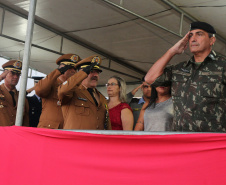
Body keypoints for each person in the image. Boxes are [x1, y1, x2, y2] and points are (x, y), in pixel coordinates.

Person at [145, 21, 226, 132]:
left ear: (212, 40)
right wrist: (172, 51)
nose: (193, 39)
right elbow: (150, 78)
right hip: (181, 140)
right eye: (191, 35)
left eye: (199, 34)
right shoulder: (180, 69)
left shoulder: (222, 66)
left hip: (210, 142)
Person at [58, 55, 111, 130]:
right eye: (91, 71)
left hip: (96, 141)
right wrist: (81, 74)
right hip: (76, 140)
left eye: (97, 72)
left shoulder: (102, 98)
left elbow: (107, 125)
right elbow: (63, 91)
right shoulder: (73, 92)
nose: (95, 75)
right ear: (82, 73)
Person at [35, 54, 81, 129]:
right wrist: (59, 71)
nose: (73, 71)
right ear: (62, 67)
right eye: (70, 67)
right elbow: (40, 90)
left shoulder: (75, 87)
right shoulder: (51, 83)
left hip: (67, 129)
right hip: (50, 129)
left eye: (75, 69)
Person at [0, 60, 29, 126]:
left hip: (15, 135)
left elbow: (25, 122)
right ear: (5, 74)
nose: (16, 77)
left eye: (18, 74)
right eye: (12, 73)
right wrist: (1, 77)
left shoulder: (21, 97)